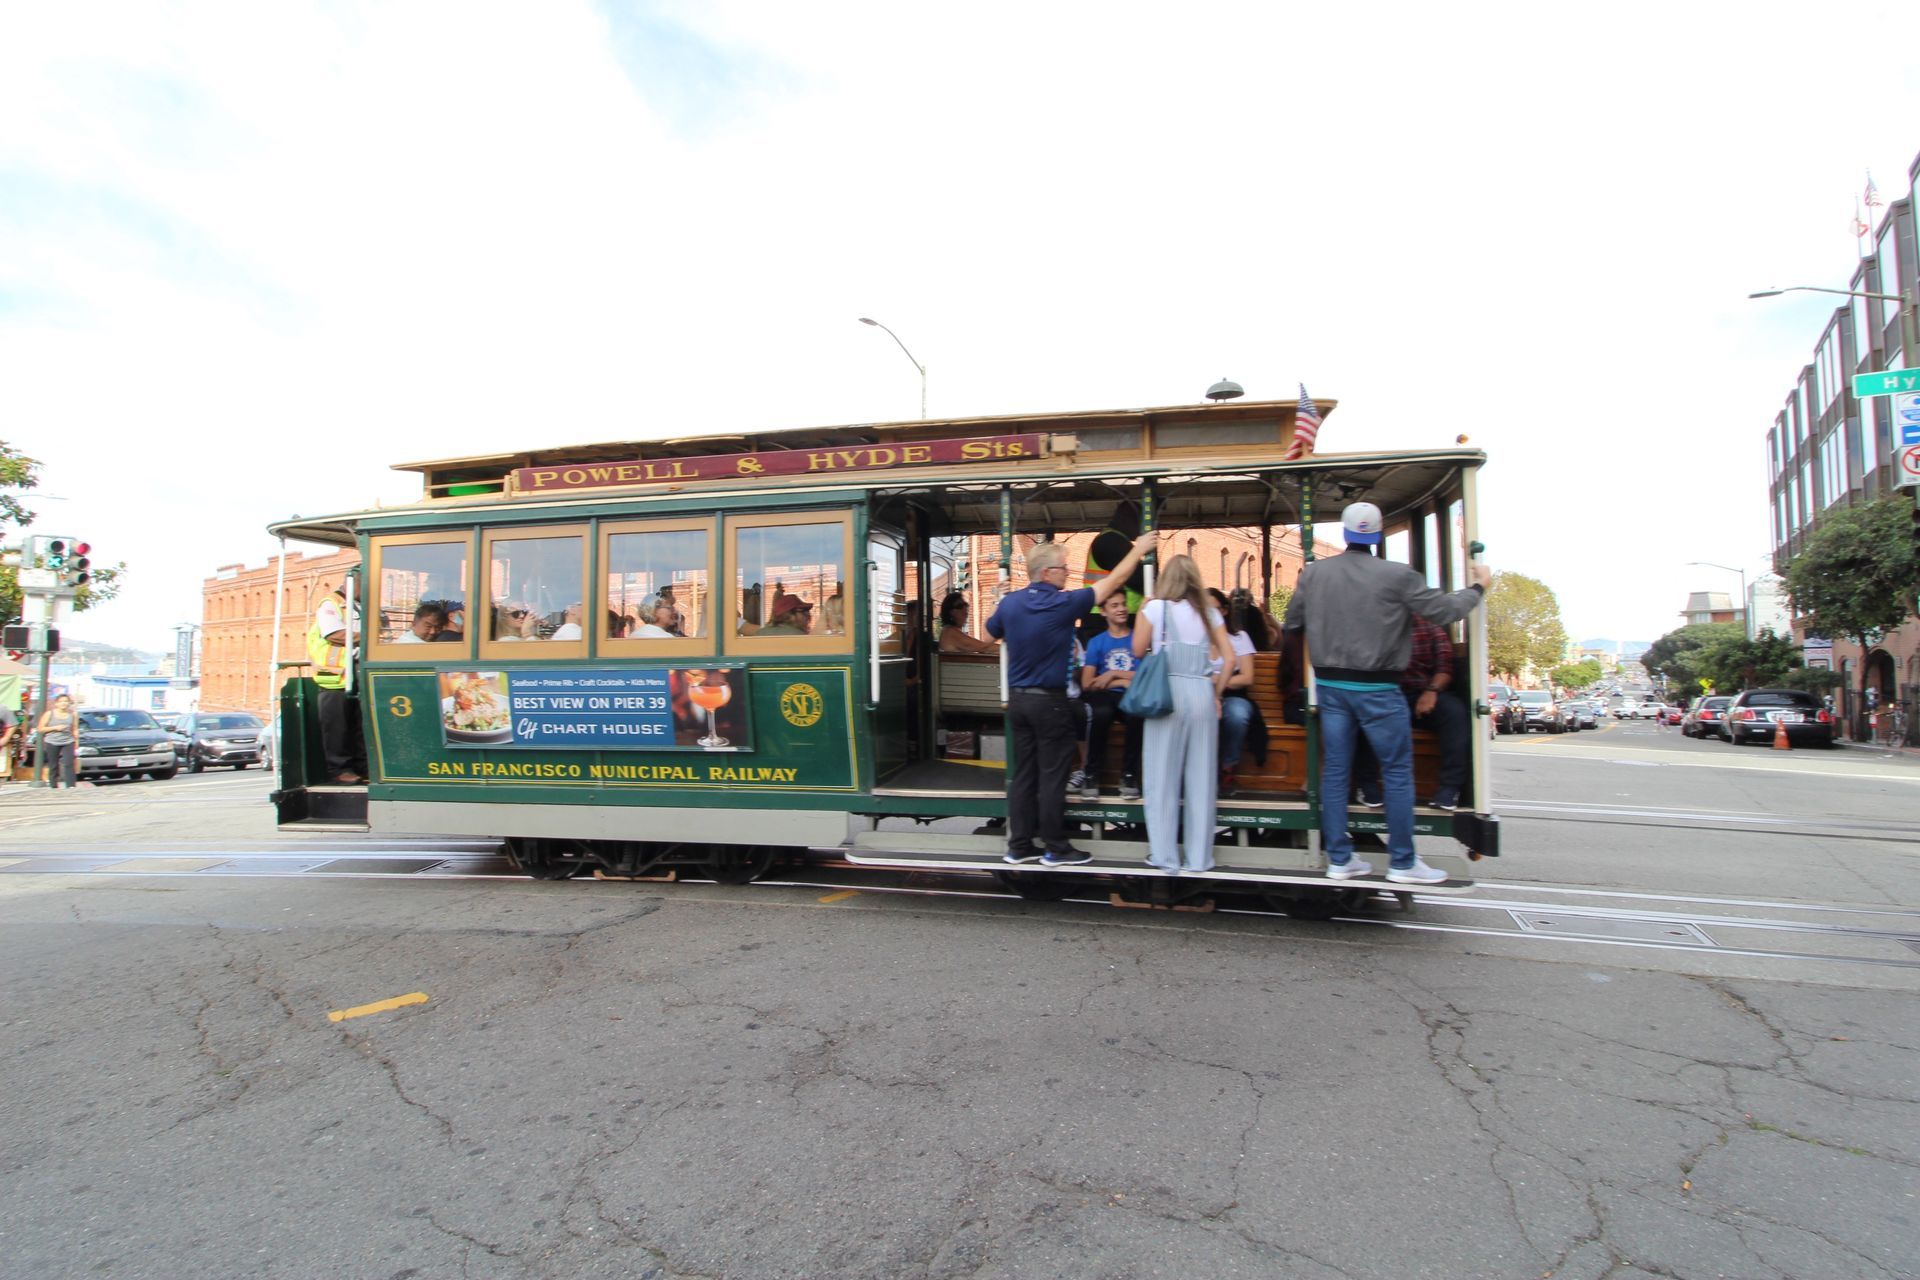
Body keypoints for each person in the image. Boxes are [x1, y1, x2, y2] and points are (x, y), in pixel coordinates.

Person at [1283, 501, 1491, 885]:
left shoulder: (1314, 574)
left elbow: (1292, 622)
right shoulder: (1398, 575)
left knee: (1336, 772)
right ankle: (1403, 862)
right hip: (1379, 688)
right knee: (1396, 772)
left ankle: (1340, 859)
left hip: (1331, 688)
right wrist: (1478, 587)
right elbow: (1445, 611)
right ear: (1377, 536)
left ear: (1345, 533)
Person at [987, 533, 1155, 866]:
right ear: (1046, 572)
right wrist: (1138, 549)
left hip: (1019, 702)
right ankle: (1056, 847)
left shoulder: (1010, 603)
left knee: (1024, 775)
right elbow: (1115, 581)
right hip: (1049, 703)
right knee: (1053, 775)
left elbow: (988, 634)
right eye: (1063, 568)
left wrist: (997, 600)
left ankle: (1019, 845)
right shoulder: (1062, 603)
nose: (1067, 572)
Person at [1133, 556, 1237, 872]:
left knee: (1161, 778)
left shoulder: (1156, 608)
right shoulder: (1210, 613)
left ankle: (1165, 857)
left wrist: (1142, 613)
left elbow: (1137, 650)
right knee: (1202, 779)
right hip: (1202, 693)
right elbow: (1230, 660)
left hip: (1168, 693)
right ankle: (1199, 858)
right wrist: (1216, 694)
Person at [1355, 617, 1472, 811]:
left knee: (1454, 712)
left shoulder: (1431, 628)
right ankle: (1367, 785)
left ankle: (1450, 789)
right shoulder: (1378, 627)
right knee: (1361, 712)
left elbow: (1445, 668)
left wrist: (1431, 691)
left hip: (1423, 696)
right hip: (1387, 696)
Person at [1079, 594, 1143, 799]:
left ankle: (1129, 775)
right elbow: (1088, 682)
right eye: (1114, 605)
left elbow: (1143, 675)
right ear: (1103, 611)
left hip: (1130, 695)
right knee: (1101, 713)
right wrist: (1121, 681)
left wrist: (1112, 674)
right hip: (1104, 695)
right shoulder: (1097, 642)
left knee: (1135, 715)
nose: (1121, 609)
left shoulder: (1138, 639)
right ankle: (1091, 774)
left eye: (1123, 604)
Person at [1209, 588, 1266, 796]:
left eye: (1214, 609)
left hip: (1232, 696)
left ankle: (1227, 768)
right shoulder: (1196, 639)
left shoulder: (1239, 637)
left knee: (1237, 714)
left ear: (1224, 610)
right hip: (1201, 695)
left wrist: (1219, 681)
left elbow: (1247, 677)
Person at [309, 585, 366, 784]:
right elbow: (334, 633)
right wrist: (369, 636)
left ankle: (363, 767)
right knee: (336, 727)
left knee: (360, 724)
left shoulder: (362, 605)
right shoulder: (331, 603)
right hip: (335, 675)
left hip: (358, 670)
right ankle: (339, 769)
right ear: (354, 582)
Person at [35, 693, 80, 789]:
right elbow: (40, 728)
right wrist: (55, 728)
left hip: (68, 741)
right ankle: (53, 785)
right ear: (56, 703)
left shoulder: (73, 714)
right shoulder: (49, 714)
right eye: (61, 701)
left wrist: (76, 741)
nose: (64, 703)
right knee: (53, 764)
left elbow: (75, 728)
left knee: (69, 763)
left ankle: (71, 785)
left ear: (69, 703)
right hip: (52, 741)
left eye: (66, 701)